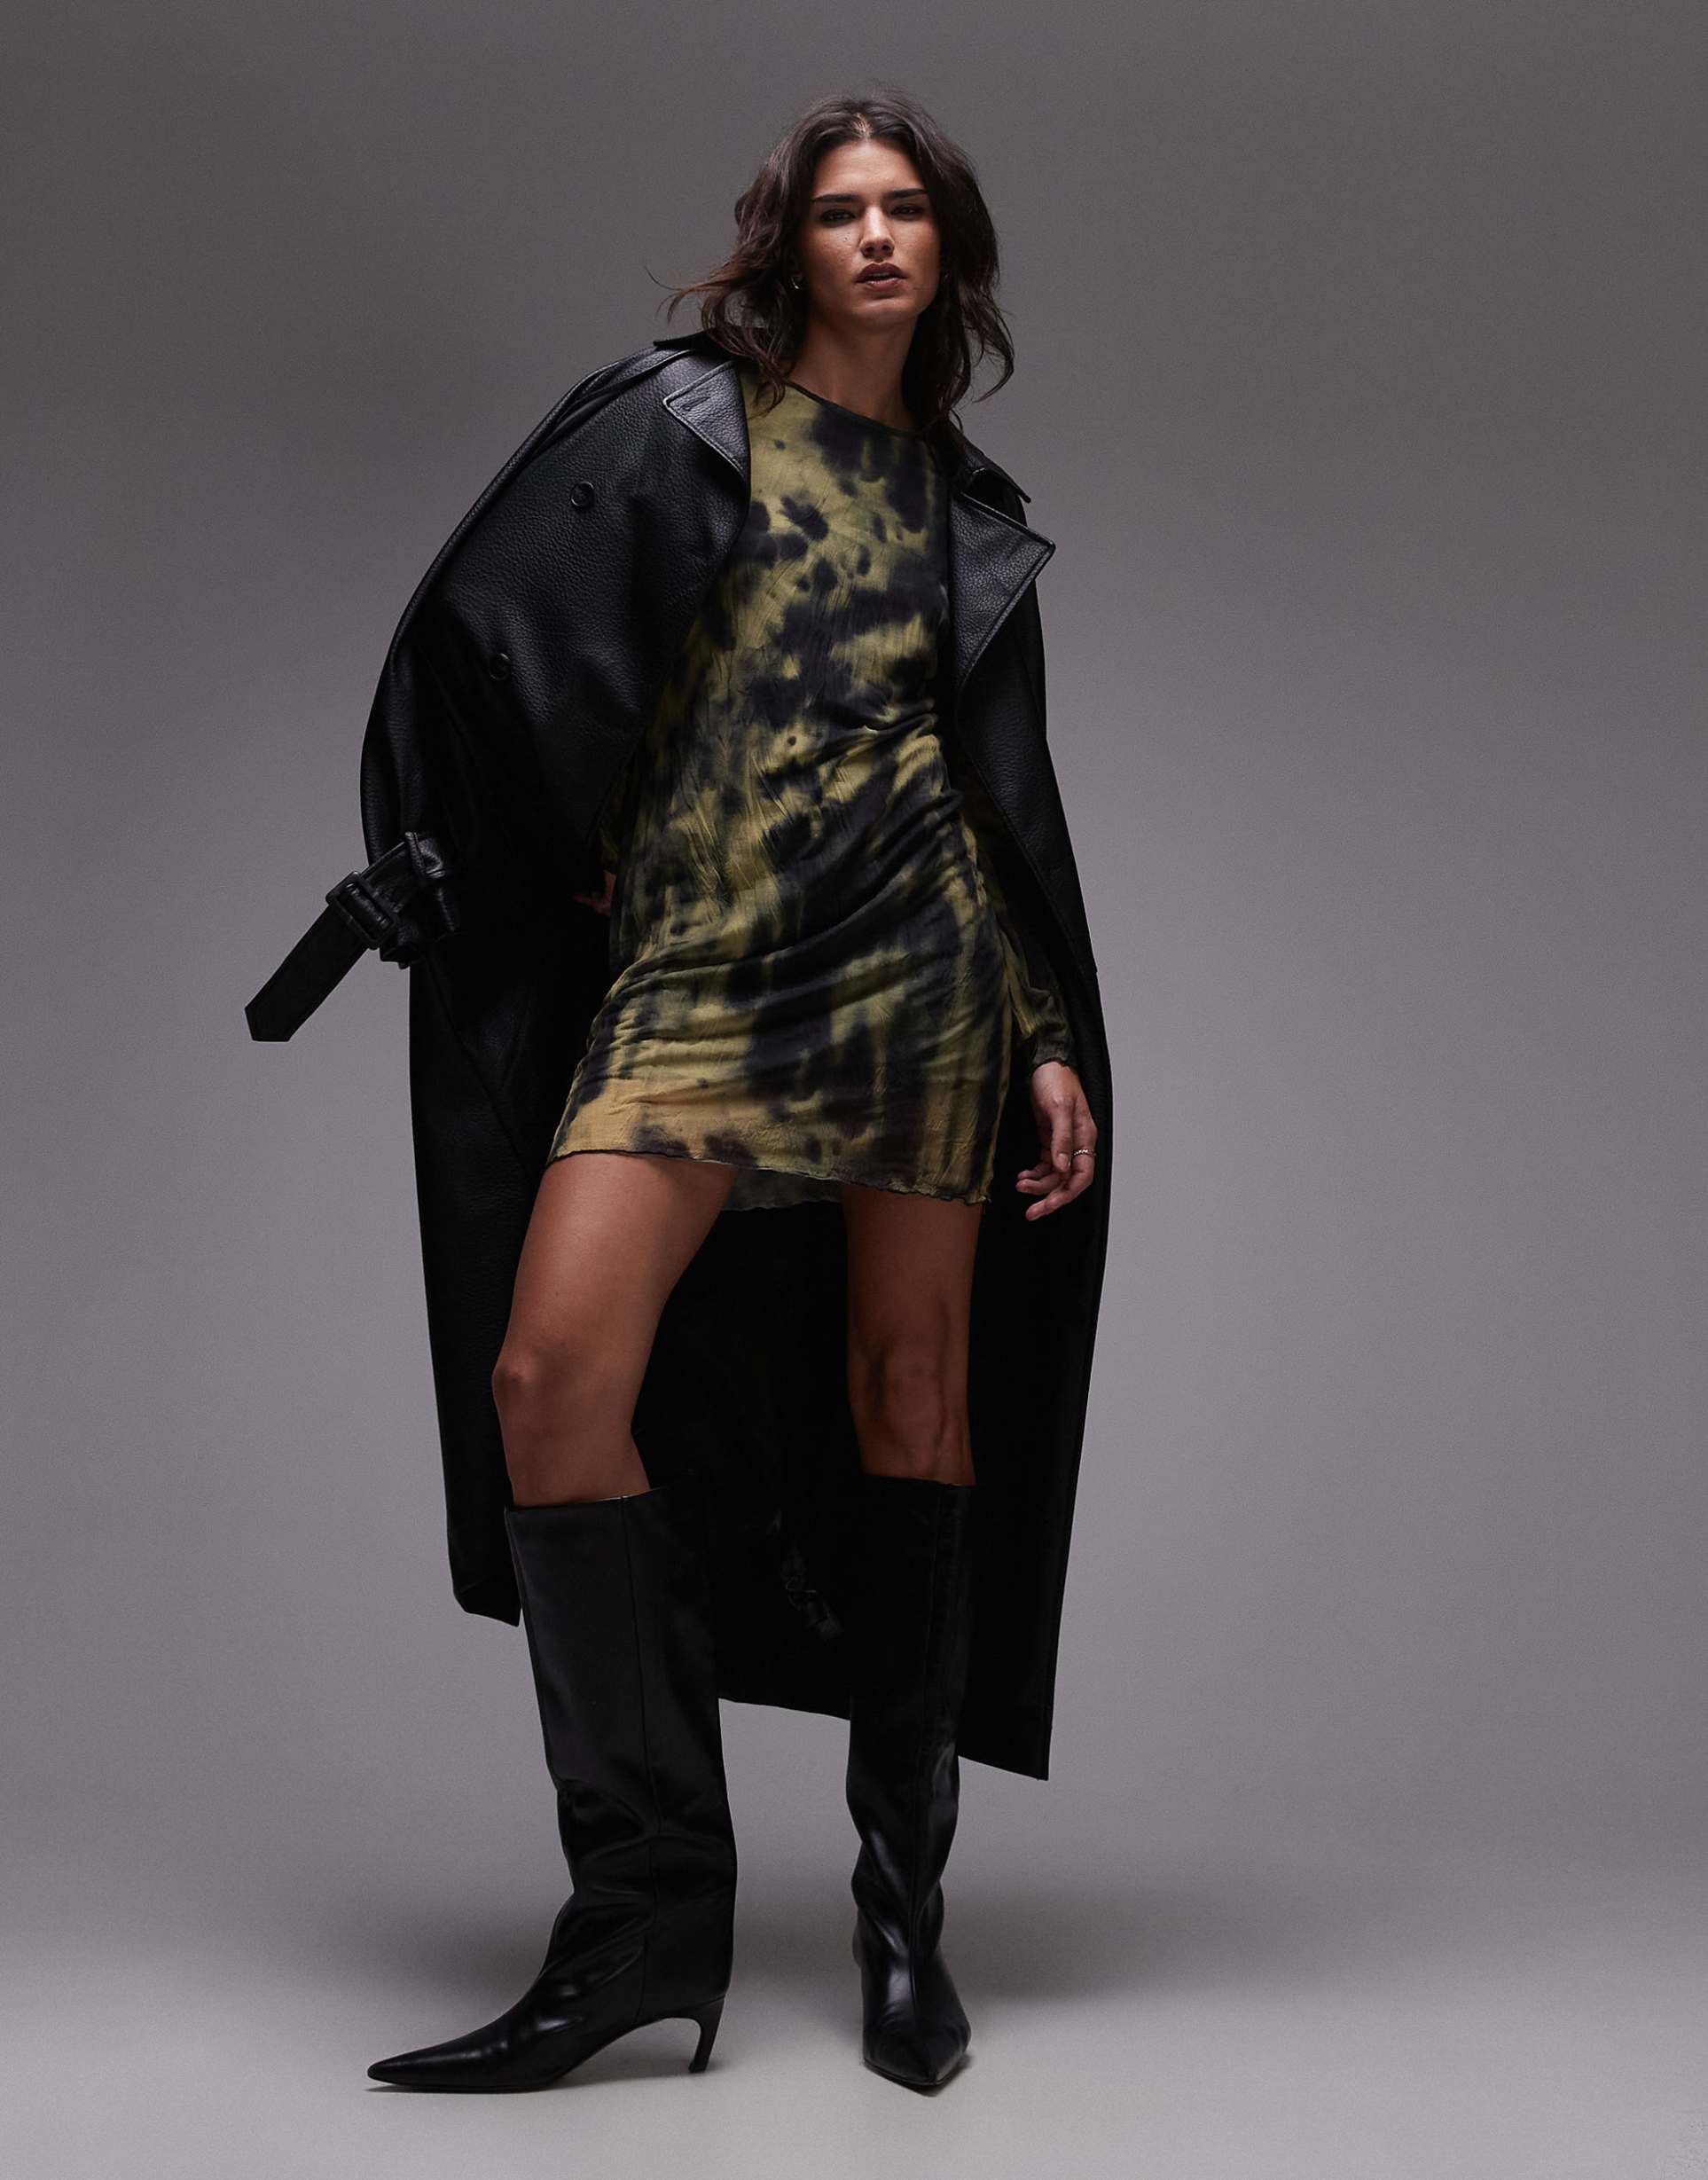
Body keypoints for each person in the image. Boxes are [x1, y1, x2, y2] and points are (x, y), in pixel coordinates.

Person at [318, 90, 1101, 2097]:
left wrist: (1041, 1035)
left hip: (915, 972)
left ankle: (901, 1915)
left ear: (948, 250)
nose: (875, 237)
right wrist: (513, 853)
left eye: (906, 208)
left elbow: (997, 804)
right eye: (840, 210)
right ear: (787, 244)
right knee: (549, 1379)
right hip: (696, 977)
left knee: (914, 1403)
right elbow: (489, 647)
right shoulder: (676, 422)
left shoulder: (966, 510)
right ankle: (649, 1907)